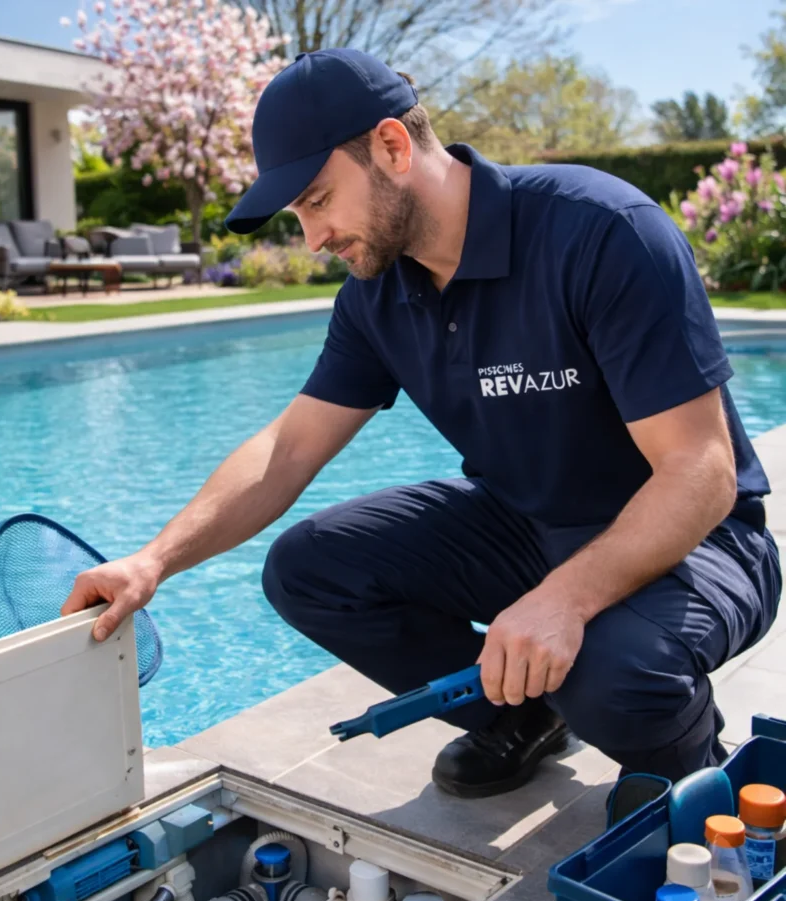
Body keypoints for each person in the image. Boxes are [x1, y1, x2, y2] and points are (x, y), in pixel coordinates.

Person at [62, 48, 782, 797]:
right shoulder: (377, 297)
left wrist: (565, 601)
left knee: (607, 673)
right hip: (527, 525)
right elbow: (287, 448)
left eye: (317, 200)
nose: (313, 238)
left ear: (392, 147)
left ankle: (695, 774)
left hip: (696, 539)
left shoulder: (600, 232)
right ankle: (519, 718)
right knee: (308, 569)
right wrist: (152, 562)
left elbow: (700, 473)